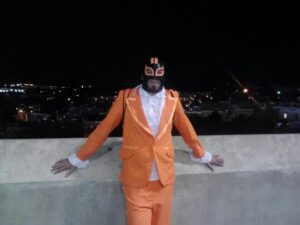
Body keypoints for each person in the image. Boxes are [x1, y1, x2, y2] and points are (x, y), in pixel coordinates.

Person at [51, 57, 224, 225]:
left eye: (158, 78)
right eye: (151, 78)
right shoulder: (126, 97)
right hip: (136, 181)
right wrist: (78, 158)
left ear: (163, 77)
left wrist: (203, 155)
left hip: (164, 181)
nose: (154, 81)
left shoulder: (173, 98)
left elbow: (187, 129)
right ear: (142, 76)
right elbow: (104, 128)